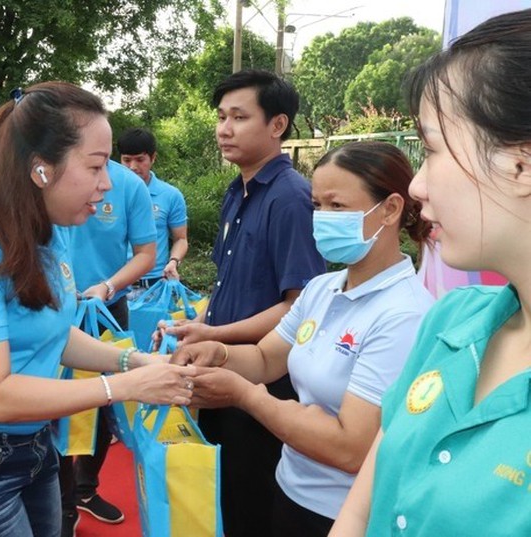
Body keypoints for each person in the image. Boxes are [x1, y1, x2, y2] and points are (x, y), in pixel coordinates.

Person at [0, 81, 196, 537]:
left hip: (35, 442)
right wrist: (125, 385)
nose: (107, 183)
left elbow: (55, 333)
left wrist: (133, 359)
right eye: (97, 166)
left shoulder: (47, 232)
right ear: (41, 168)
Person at [331, 10, 531, 536]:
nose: (418, 186)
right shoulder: (450, 320)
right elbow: (361, 507)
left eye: (433, 149)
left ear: (522, 164)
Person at [173, 141, 434, 537]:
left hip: (343, 514)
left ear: (391, 209)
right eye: (317, 206)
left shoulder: (405, 315)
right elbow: (264, 359)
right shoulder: (322, 288)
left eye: (337, 206)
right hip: (289, 487)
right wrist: (219, 353)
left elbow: (351, 447)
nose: (322, 219)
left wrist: (246, 397)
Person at [164, 69, 327, 537]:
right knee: (222, 498)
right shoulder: (239, 192)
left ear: (277, 126)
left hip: (263, 382)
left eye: (239, 116)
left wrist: (213, 334)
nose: (224, 128)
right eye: (220, 116)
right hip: (219, 368)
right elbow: (229, 280)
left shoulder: (291, 198)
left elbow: (298, 307)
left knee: (250, 500)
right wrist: (195, 321)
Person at [61, 158, 157, 534]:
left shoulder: (127, 185)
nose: (101, 184)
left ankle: (85, 488)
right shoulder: (48, 176)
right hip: (56, 304)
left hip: (105, 304)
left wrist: (108, 287)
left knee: (102, 407)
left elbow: (145, 253)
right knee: (56, 406)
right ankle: (62, 507)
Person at [117, 127, 188, 290]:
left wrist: (173, 261)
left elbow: (181, 239)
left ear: (153, 158)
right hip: (115, 287)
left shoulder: (170, 195)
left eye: (140, 159)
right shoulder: (105, 194)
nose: (133, 167)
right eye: (126, 160)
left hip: (155, 287)